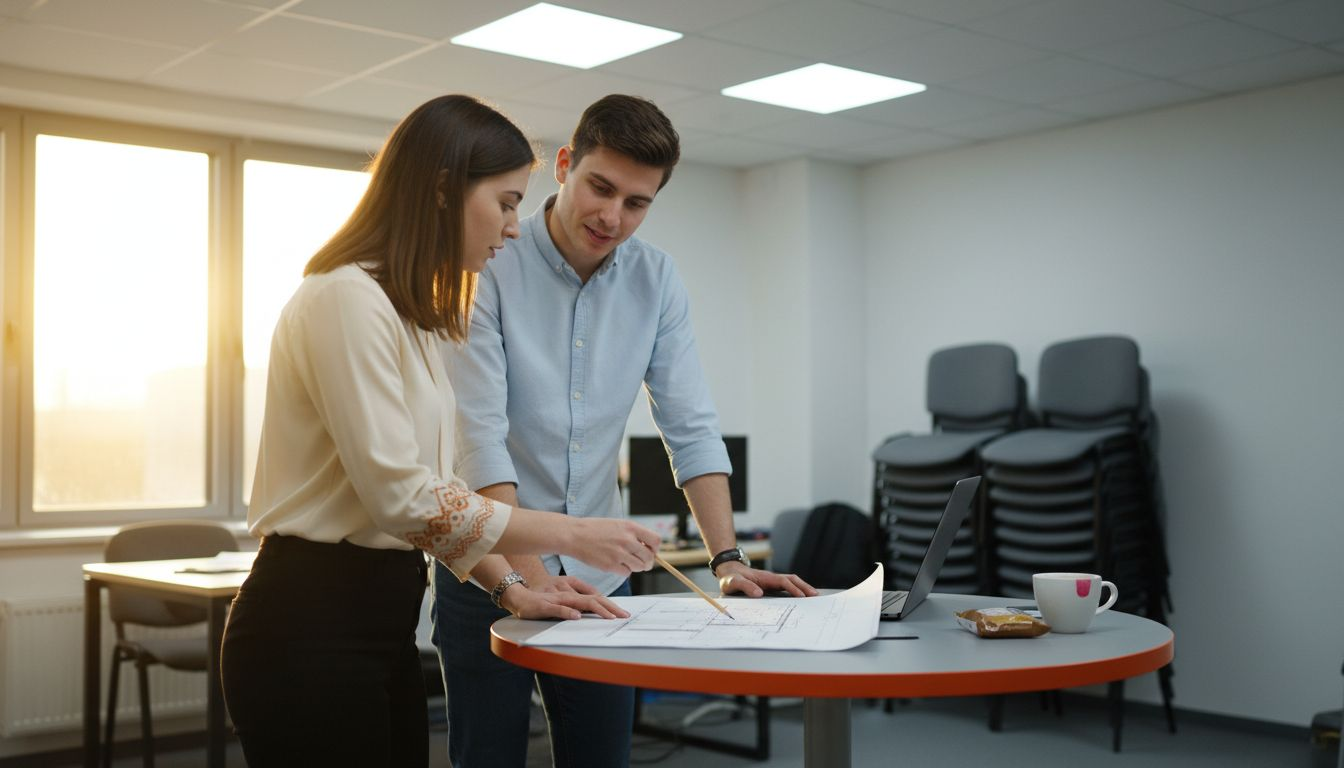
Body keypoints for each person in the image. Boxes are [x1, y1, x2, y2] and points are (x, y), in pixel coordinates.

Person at [219, 95, 662, 768]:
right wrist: (573, 533)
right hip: (308, 624)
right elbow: (403, 499)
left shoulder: (417, 318)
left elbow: (440, 494)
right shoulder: (344, 297)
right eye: (507, 202)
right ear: (442, 192)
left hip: (381, 623)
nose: (515, 228)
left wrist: (513, 587)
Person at [432, 94, 818, 768]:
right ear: (563, 167)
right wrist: (529, 578)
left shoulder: (657, 279)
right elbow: (479, 440)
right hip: (491, 569)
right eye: (600, 187)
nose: (613, 216)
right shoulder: (489, 261)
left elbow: (691, 425)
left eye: (637, 202)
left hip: (601, 581)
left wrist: (728, 561)